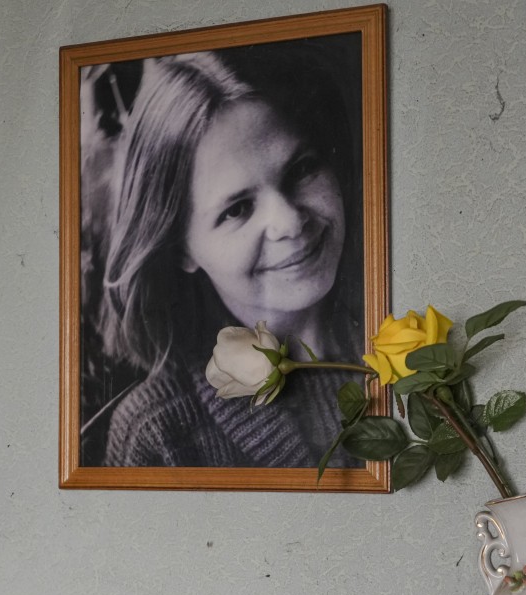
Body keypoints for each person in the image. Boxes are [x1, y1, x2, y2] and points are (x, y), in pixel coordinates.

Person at [94, 38, 365, 467]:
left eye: (301, 169)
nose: (290, 222)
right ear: (180, 248)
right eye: (237, 209)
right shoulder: (158, 431)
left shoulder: (405, 335)